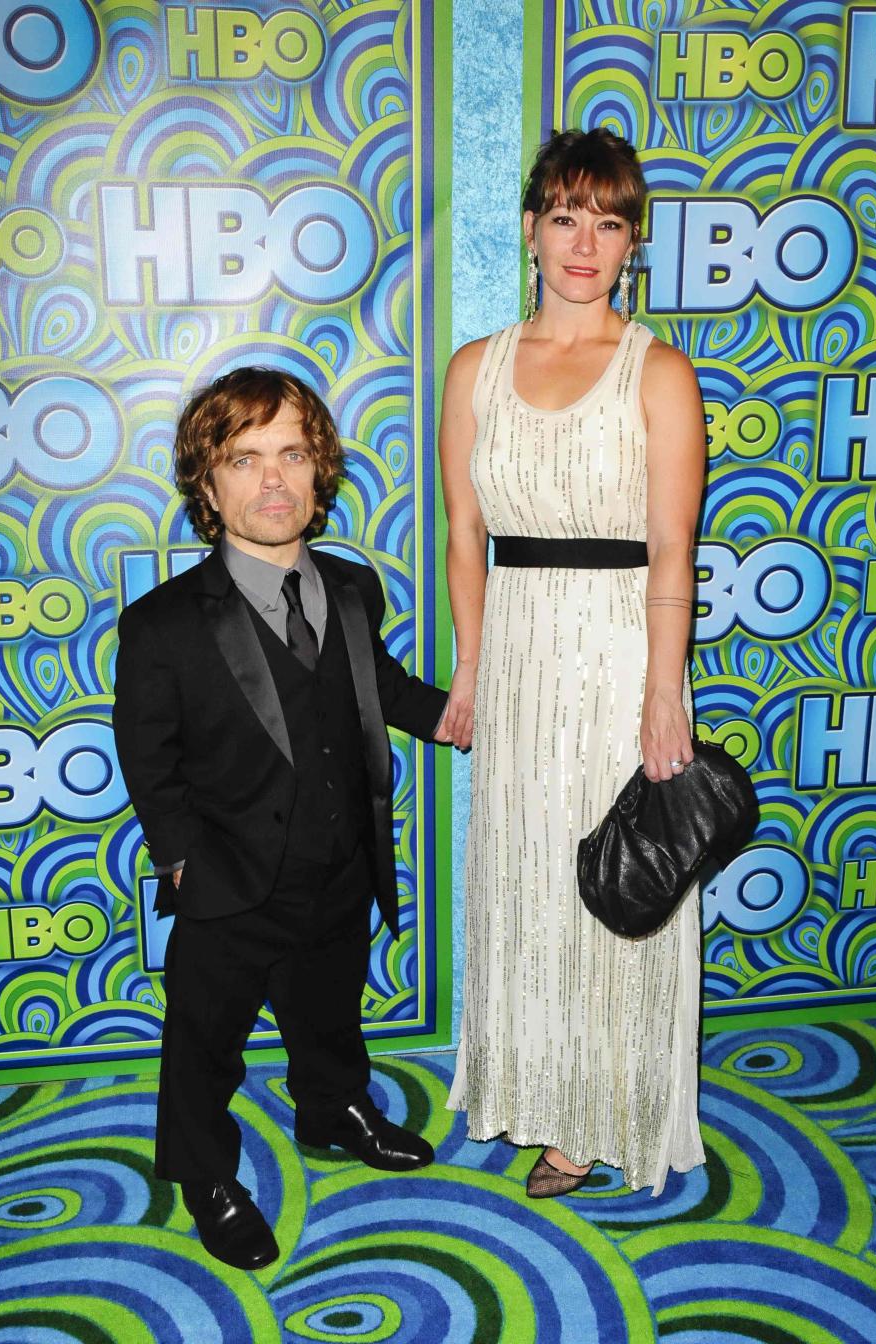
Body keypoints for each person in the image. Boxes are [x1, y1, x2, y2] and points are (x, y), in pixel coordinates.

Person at [113, 367, 451, 1270]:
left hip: (340, 863)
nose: (273, 480)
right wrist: (184, 863)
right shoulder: (164, 626)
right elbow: (150, 762)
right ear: (208, 485)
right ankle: (205, 1176)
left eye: (293, 454)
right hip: (228, 879)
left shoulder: (350, 587)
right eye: (244, 459)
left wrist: (467, 716)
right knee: (204, 1042)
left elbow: (384, 690)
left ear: (320, 469)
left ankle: (333, 1106)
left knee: (330, 1010)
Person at [438, 127, 707, 1197]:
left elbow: (673, 549)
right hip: (518, 649)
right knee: (529, 882)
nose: (584, 242)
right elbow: (466, 534)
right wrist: (470, 671)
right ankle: (536, 1087)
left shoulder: (660, 372)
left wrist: (660, 695)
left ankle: (601, 1117)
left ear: (632, 242)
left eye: (609, 221)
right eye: (565, 216)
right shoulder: (475, 370)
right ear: (529, 231)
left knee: (616, 888)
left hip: (618, 651)